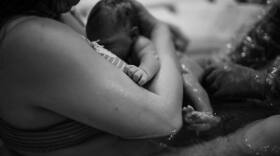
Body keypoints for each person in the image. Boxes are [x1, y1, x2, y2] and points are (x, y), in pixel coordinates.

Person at [0, 0, 280, 156]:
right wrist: (159, 32)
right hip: (165, 137)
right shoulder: (32, 38)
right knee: (273, 131)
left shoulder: (51, 14)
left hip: (159, 138)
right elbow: (165, 121)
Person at [85, 0, 219, 131]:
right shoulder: (120, 46)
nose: (99, 50)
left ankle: (207, 114)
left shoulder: (140, 43)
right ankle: (191, 113)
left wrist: (143, 71)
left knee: (188, 82)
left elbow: (151, 58)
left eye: (107, 45)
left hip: (183, 65)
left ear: (133, 34)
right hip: (172, 81)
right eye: (95, 44)